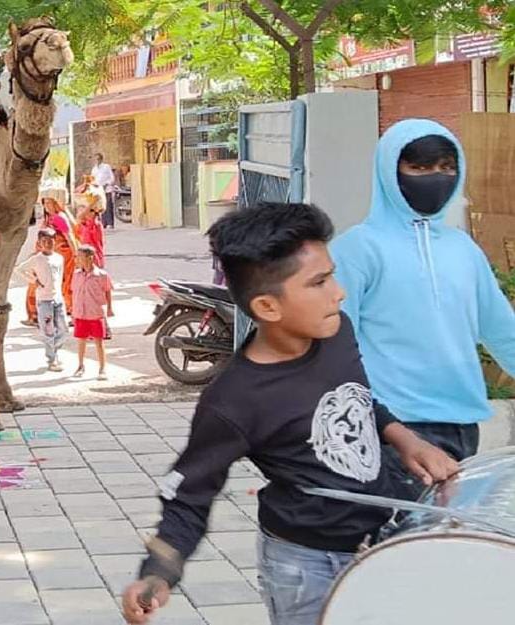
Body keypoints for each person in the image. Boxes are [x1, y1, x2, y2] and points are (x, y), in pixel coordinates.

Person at [120, 202, 459, 625]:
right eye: (319, 282)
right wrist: (157, 574)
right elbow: (189, 498)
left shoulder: (338, 333)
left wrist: (404, 438)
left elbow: (358, 400)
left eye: (331, 274)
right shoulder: (233, 403)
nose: (339, 292)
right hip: (307, 568)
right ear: (267, 308)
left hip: (387, 536)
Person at [331, 119, 515, 498]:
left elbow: (501, 330)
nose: (436, 177)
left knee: (443, 546)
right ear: (389, 171)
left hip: (462, 425)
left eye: (446, 167)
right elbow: (334, 342)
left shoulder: (463, 249)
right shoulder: (358, 248)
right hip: (393, 428)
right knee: (401, 545)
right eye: (419, 167)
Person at [16, 229, 68, 372]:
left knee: (64, 330)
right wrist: (34, 281)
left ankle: (54, 350)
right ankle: (52, 359)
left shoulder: (59, 258)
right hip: (44, 300)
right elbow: (19, 269)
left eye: (50, 241)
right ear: (39, 243)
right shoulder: (37, 259)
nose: (48, 244)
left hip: (57, 298)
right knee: (48, 330)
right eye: (44, 241)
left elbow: (60, 276)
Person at [72, 245, 113, 380]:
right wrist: (73, 311)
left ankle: (102, 368)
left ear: (90, 258)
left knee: (99, 342)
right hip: (80, 312)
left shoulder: (101, 275)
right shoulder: (76, 275)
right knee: (81, 341)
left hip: (95, 312)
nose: (77, 260)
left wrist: (109, 308)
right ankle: (80, 365)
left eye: (80, 257)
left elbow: (107, 291)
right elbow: (74, 293)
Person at [42, 197, 78, 316]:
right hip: (54, 256)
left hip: (65, 255)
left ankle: (72, 309)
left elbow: (69, 236)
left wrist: (76, 255)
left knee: (67, 282)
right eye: (44, 203)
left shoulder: (59, 217)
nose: (46, 206)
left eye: (49, 203)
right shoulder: (49, 218)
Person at [91, 153, 116, 228]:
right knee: (101, 206)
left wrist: (107, 184)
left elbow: (112, 178)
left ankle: (110, 223)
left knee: (108, 205)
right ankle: (104, 222)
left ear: (101, 159)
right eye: (96, 159)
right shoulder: (94, 169)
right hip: (98, 189)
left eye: (98, 159)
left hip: (106, 189)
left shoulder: (106, 167)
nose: (97, 161)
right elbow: (92, 179)